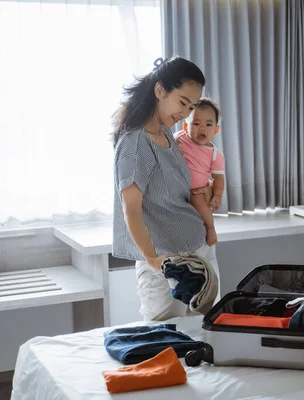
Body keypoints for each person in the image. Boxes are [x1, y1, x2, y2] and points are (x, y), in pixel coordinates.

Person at [111, 56, 220, 321]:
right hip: (166, 265)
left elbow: (176, 194)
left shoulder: (167, 135)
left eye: (191, 106)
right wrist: (153, 261)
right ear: (160, 90)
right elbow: (132, 212)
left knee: (206, 340)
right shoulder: (136, 145)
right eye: (182, 102)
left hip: (198, 254)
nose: (185, 113)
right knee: (165, 343)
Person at [174, 98, 225, 246]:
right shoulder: (178, 139)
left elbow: (218, 178)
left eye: (208, 124)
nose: (202, 128)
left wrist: (217, 195)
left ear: (216, 129)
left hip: (197, 191)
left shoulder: (215, 154)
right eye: (196, 123)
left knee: (200, 204)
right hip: (176, 188)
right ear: (185, 126)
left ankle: (210, 228)